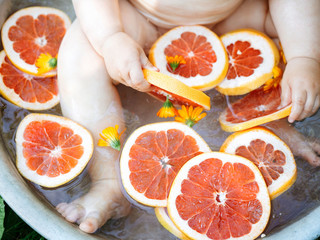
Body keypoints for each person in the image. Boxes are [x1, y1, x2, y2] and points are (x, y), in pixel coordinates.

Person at [56, 0, 320, 233]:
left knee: (296, 37)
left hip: (234, 17)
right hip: (142, 21)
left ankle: (273, 126)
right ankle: (108, 179)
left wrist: (303, 56)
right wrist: (110, 37)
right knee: (81, 51)